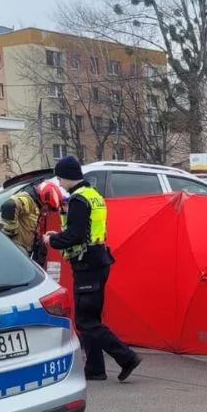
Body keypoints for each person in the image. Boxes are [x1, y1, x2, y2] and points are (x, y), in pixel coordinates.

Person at [44, 156, 142, 383]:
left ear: (67, 176)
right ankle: (95, 368)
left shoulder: (78, 200)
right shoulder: (94, 195)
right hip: (98, 260)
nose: (59, 183)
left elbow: (75, 235)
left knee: (86, 321)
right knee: (92, 317)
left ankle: (126, 357)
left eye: (60, 178)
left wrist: (52, 240)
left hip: (87, 262)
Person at [1, 179, 63, 266]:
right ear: (43, 200)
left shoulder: (36, 206)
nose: (47, 211)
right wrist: (11, 231)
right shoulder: (27, 200)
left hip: (24, 252)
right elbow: (9, 205)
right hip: (16, 251)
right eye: (48, 207)